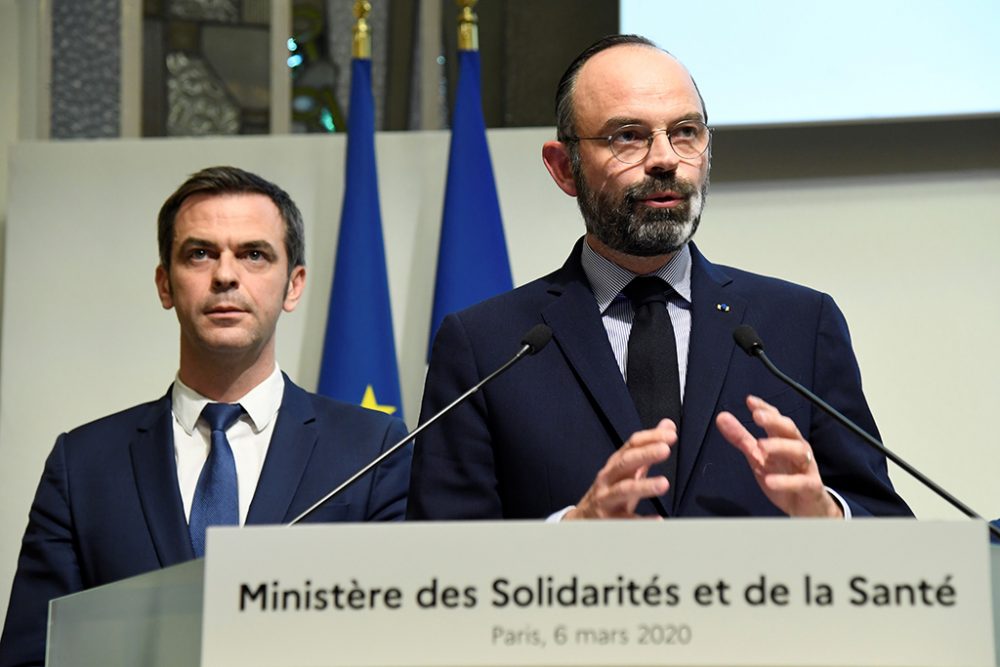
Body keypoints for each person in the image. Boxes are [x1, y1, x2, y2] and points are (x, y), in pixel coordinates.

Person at [408, 35, 911, 521]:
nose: (667, 159)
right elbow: (435, 562)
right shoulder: (487, 349)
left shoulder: (798, 327)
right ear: (564, 168)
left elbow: (888, 529)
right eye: (628, 136)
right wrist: (568, 538)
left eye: (686, 132)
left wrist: (826, 514)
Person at [0, 166, 411, 666]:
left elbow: (400, 643)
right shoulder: (82, 463)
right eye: (200, 253)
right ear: (165, 284)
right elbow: (33, 654)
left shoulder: (373, 449)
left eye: (254, 254)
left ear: (293, 285)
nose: (225, 275)